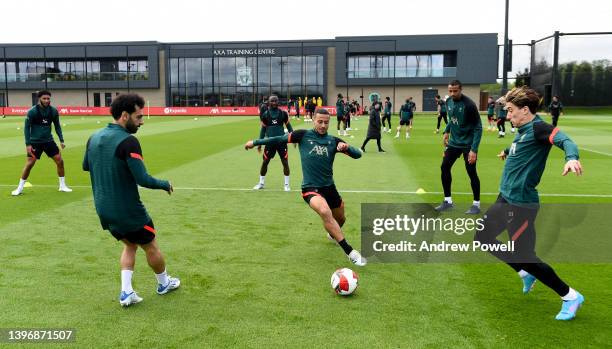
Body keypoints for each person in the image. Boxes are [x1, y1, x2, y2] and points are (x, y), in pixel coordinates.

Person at [474, 86, 584, 321]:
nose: (508, 116)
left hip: (521, 204)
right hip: (505, 197)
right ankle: (524, 272)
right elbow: (520, 145)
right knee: (482, 238)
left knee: (526, 255)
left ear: (525, 110)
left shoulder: (539, 128)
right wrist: (506, 150)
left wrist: (572, 158)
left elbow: (565, 140)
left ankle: (570, 296)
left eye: (511, 111)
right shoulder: (523, 128)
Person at [82, 93, 179, 307]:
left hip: (103, 210)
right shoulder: (128, 141)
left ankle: (126, 292)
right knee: (151, 245)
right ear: (125, 116)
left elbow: (86, 166)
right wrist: (164, 184)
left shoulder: (94, 137)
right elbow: (142, 179)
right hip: (128, 210)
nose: (142, 121)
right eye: (138, 117)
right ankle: (164, 283)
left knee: (130, 245)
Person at [244, 108, 367, 266]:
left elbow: (358, 154)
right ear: (313, 120)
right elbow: (278, 139)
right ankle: (350, 252)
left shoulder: (333, 141)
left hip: (330, 188)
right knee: (324, 211)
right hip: (310, 188)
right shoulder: (302, 135)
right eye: (320, 121)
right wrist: (255, 142)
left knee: (341, 218)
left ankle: (332, 233)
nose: (323, 125)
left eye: (326, 122)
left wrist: (347, 147)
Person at [11, 90, 72, 196]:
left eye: (48, 98)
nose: (47, 100)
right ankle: (19, 188)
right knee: (30, 164)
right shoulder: (32, 112)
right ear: (39, 99)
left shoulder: (53, 111)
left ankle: (62, 186)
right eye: (44, 98)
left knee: (60, 161)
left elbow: (57, 126)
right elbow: (26, 128)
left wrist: (61, 140)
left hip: (49, 141)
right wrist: (28, 144)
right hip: (35, 143)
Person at [436, 80, 482, 214]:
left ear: (461, 89)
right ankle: (447, 201)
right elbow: (452, 118)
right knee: (444, 167)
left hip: (468, 144)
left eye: (455, 91)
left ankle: (476, 204)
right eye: (450, 91)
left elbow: (478, 128)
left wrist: (474, 149)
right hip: (454, 143)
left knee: (471, 172)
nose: (452, 93)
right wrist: (446, 131)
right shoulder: (448, 101)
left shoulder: (469, 105)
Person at [253, 95, 293, 191]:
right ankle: (261, 183)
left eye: (275, 101)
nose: (274, 103)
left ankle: (286, 185)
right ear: (269, 102)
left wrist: (294, 138)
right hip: (269, 143)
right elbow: (263, 131)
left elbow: (289, 128)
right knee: (265, 162)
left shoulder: (283, 114)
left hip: (282, 142)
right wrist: (259, 143)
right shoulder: (265, 115)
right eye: (272, 101)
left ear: (278, 102)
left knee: (285, 163)